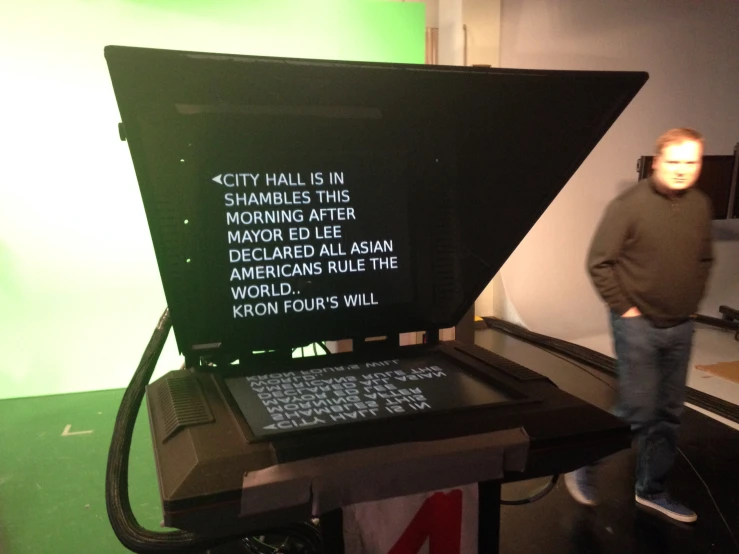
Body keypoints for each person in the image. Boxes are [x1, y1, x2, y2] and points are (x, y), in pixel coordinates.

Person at [564, 128, 714, 523]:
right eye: (675, 161)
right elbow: (599, 262)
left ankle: (652, 490)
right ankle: (585, 462)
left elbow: (703, 259)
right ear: (658, 161)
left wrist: (692, 305)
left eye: (691, 162)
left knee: (668, 413)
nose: (683, 170)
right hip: (639, 325)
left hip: (681, 325)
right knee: (637, 410)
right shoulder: (628, 205)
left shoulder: (699, 205)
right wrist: (626, 310)